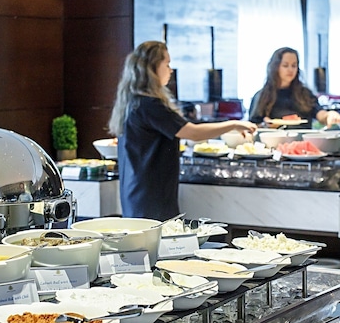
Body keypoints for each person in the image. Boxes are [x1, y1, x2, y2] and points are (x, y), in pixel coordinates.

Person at [108, 41, 256, 220]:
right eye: (167, 64)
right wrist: (233, 124)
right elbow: (192, 133)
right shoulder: (150, 104)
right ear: (153, 67)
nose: (171, 70)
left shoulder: (133, 101)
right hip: (150, 194)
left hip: (137, 190)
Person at [247, 47, 340, 126]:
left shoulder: (305, 94)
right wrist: (265, 125)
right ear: (275, 67)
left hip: (304, 140)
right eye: (285, 65)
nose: (290, 70)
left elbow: (319, 113)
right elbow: (253, 126)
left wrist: (329, 115)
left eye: (294, 65)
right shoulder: (262, 96)